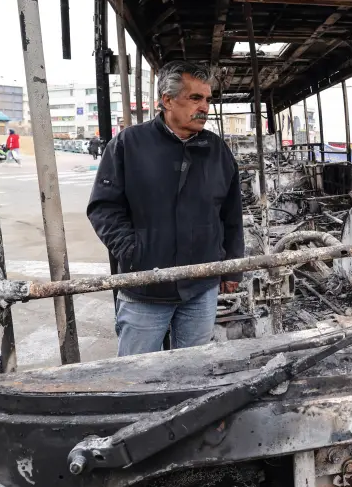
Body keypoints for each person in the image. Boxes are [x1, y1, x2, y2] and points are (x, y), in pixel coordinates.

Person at [88, 61, 243, 356]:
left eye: (207, 99)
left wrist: (232, 268)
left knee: (192, 367)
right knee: (136, 370)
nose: (204, 107)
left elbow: (231, 215)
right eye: (195, 98)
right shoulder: (129, 144)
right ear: (167, 100)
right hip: (145, 286)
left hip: (201, 286)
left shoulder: (217, 151)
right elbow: (103, 207)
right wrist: (133, 251)